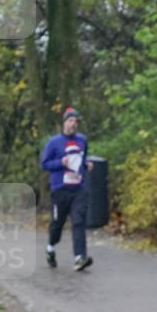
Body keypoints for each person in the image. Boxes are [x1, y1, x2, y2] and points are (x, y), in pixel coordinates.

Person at [41, 107, 94, 271]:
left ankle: (79, 258)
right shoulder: (54, 142)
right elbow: (44, 164)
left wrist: (87, 165)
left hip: (78, 188)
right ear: (64, 122)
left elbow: (81, 159)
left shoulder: (82, 140)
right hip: (60, 189)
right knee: (58, 223)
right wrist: (60, 163)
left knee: (79, 221)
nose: (74, 124)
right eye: (71, 121)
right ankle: (50, 248)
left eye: (76, 122)